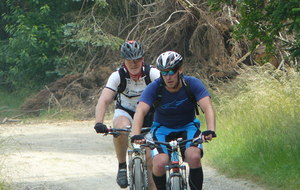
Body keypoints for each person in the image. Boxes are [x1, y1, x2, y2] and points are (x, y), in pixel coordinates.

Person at [131, 51, 216, 190]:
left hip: (188, 126)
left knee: (193, 156)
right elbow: (140, 111)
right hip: (162, 128)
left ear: (180, 70)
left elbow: (207, 107)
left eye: (171, 71)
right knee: (159, 163)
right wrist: (136, 134)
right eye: (164, 73)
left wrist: (211, 130)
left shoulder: (192, 84)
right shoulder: (155, 88)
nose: (168, 76)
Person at [94, 40, 160, 189]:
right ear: (124, 60)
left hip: (148, 114)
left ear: (142, 59)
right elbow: (104, 100)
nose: (134, 63)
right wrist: (99, 122)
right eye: (130, 60)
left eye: (137, 60)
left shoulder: (153, 74)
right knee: (120, 128)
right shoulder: (117, 76)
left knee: (150, 160)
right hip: (126, 111)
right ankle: (122, 166)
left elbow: (167, 93)